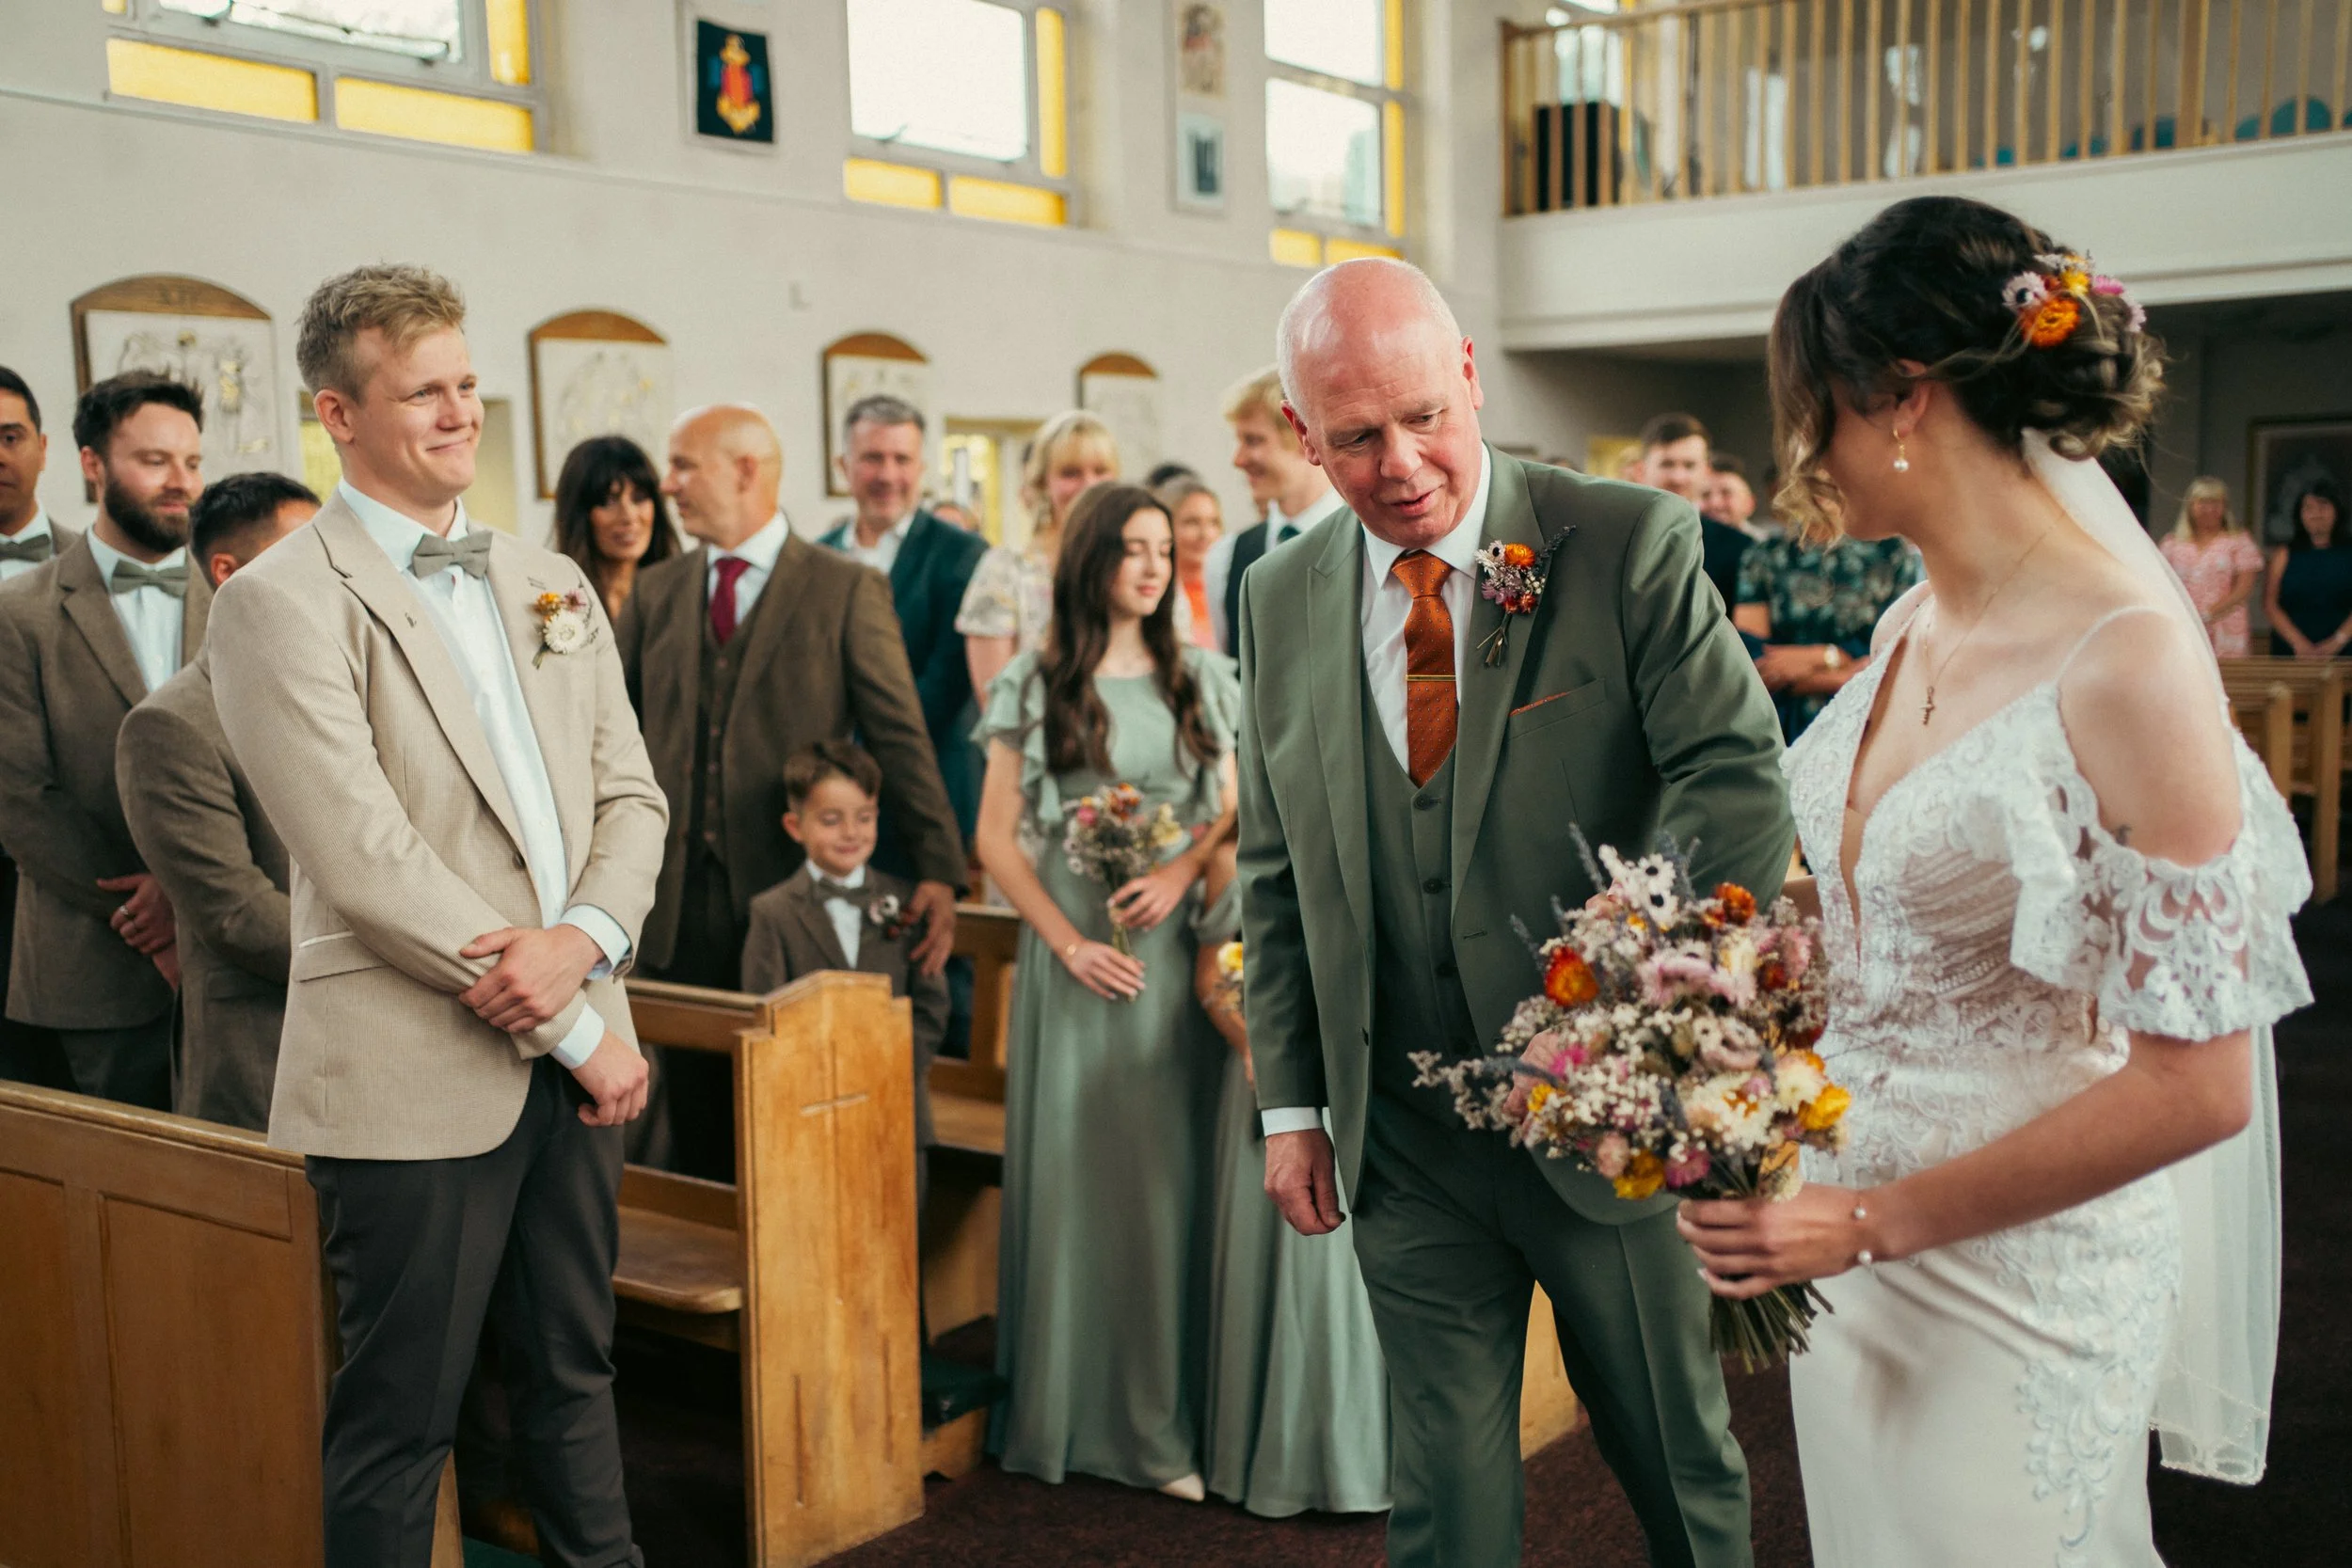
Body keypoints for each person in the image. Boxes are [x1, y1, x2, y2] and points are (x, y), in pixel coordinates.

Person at [1678, 195, 2309, 1565]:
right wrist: (1690, 961)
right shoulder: (1911, 613)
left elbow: (2197, 1083)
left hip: (2012, 1270)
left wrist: (1867, 1218)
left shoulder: (2127, 659)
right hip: (1846, 1245)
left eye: (1813, 412)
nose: (1800, 451)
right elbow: (1884, 902)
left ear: (1902, 397)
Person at [1241, 258, 1788, 1568]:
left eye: (1425, 414)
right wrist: (1293, 1103)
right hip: (1405, 1137)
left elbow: (1741, 779)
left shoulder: (1629, 541)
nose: (1403, 463)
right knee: (1444, 1490)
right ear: (1303, 437)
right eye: (1357, 437)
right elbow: (1277, 864)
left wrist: (1627, 1014)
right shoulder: (1276, 595)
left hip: (1599, 1117)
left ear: (1472, 375)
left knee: (1674, 1457)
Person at [206, 263, 669, 1566]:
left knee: (577, 1376)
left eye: (467, 384)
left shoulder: (550, 578)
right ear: (337, 414)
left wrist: (583, 945)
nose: (459, 412)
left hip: (581, 1036)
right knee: (402, 1420)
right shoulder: (276, 601)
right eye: (424, 391)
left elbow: (633, 796)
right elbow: (364, 856)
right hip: (416, 1073)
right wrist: (579, 1029)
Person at [973, 481, 1237, 1501]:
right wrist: (1069, 944)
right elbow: (995, 838)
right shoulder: (1038, 683)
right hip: (1080, 961)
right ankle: (1084, 1419)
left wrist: (1176, 873)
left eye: (1162, 548)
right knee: (1091, 1188)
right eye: (1130, 547)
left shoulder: (1201, 676)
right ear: (1090, 560)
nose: (1151, 565)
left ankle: (1163, 1416)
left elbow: (1229, 810)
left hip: (1178, 960)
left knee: (1169, 1191)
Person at [619, 404, 963, 1178]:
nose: (667, 484)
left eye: (683, 465)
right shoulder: (657, 592)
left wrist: (940, 869)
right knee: (700, 1130)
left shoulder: (843, 589)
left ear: (746, 470)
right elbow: (612, 742)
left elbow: (901, 735)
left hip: (792, 900)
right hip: (674, 910)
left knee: (802, 1127)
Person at [0, 372, 210, 1108]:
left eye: (191, 461)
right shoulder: (19, 612)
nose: (179, 482)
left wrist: (196, 892)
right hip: (92, 964)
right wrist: (147, 904)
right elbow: (20, 798)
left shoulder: (241, 594)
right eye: (154, 461)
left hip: (234, 956)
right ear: (92, 465)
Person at [1193, 838, 1391, 1518]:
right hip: (1267, 1076)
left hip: (1354, 1065)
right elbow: (1213, 981)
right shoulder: (1227, 858)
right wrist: (1260, 1053)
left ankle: (1361, 1457)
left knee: (1351, 1282)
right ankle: (1273, 1456)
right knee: (1278, 1271)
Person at [117, 471, 316, 1132]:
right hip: (265, 1049)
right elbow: (235, 913)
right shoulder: (170, 724)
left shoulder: (343, 688)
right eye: (308, 551)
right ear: (229, 572)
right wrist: (397, 958)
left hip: (390, 1045)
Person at [740, 739, 947, 1205]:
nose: (851, 832)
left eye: (865, 817)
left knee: (896, 1240)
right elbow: (765, 1011)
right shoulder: (772, 913)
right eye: (831, 820)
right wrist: (824, 1077)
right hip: (808, 1110)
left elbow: (932, 1005)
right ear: (796, 826)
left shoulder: (907, 904)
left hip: (897, 1109)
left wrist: (887, 1070)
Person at [817, 394, 993, 849]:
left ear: (922, 468)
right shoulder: (818, 556)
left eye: (902, 459)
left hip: (933, 786)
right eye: (872, 458)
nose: (887, 475)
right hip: (835, 800)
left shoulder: (963, 553)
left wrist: (865, 752)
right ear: (844, 465)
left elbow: (947, 678)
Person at [0, 365, 81, 1088]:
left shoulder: (94, 571)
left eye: (10, 435)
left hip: (70, 876)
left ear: (44, 447)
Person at [957, 409, 1120, 694]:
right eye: (1071, 473)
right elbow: (995, 700)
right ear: (1043, 482)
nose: (1088, 485)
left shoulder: (1141, 562)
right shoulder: (1005, 570)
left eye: (1100, 471)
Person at [1203, 367, 1347, 654]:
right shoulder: (1225, 558)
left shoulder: (1369, 539)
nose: (1238, 459)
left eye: (1253, 440)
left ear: (1304, 435)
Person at [1733, 530, 1921, 739]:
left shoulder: (1892, 554)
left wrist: (1823, 655)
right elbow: (1753, 660)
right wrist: (1838, 673)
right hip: (1779, 720)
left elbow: (1890, 653)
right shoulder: (1765, 553)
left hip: (1860, 719)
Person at [552, 434, 677, 624]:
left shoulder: (685, 593)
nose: (628, 516)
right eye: (609, 501)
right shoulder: (554, 601)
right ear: (580, 514)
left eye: (639, 498)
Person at [1635, 412, 1751, 611]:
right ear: (1642, 469)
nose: (1678, 478)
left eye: (1689, 465)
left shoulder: (1740, 549)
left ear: (1706, 471)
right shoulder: (1618, 538)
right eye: (1667, 464)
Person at [2158, 476, 2266, 658]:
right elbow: (2160, 585)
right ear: (2191, 506)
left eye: (2216, 503)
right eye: (2203, 503)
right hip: (2184, 625)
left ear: (2225, 508)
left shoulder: (2239, 541)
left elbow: (2244, 588)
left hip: (2226, 628)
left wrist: (2208, 615)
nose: (2209, 509)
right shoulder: (2172, 544)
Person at [2262, 477, 2352, 658]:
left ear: (2336, 510)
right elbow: (2270, 604)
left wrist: (2337, 641)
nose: (2315, 513)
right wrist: (2299, 643)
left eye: (2323, 506)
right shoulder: (2284, 554)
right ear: (2300, 514)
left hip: (2344, 649)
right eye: (2308, 508)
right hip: (2292, 650)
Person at [1157, 473, 1226, 650]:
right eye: (1192, 522)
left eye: (1213, 523)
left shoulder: (1232, 587)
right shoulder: (1155, 594)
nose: (1205, 534)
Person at [1704, 451, 1772, 541]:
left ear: (1750, 504)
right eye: (1705, 495)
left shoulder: (1768, 549)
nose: (1714, 503)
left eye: (1726, 493)